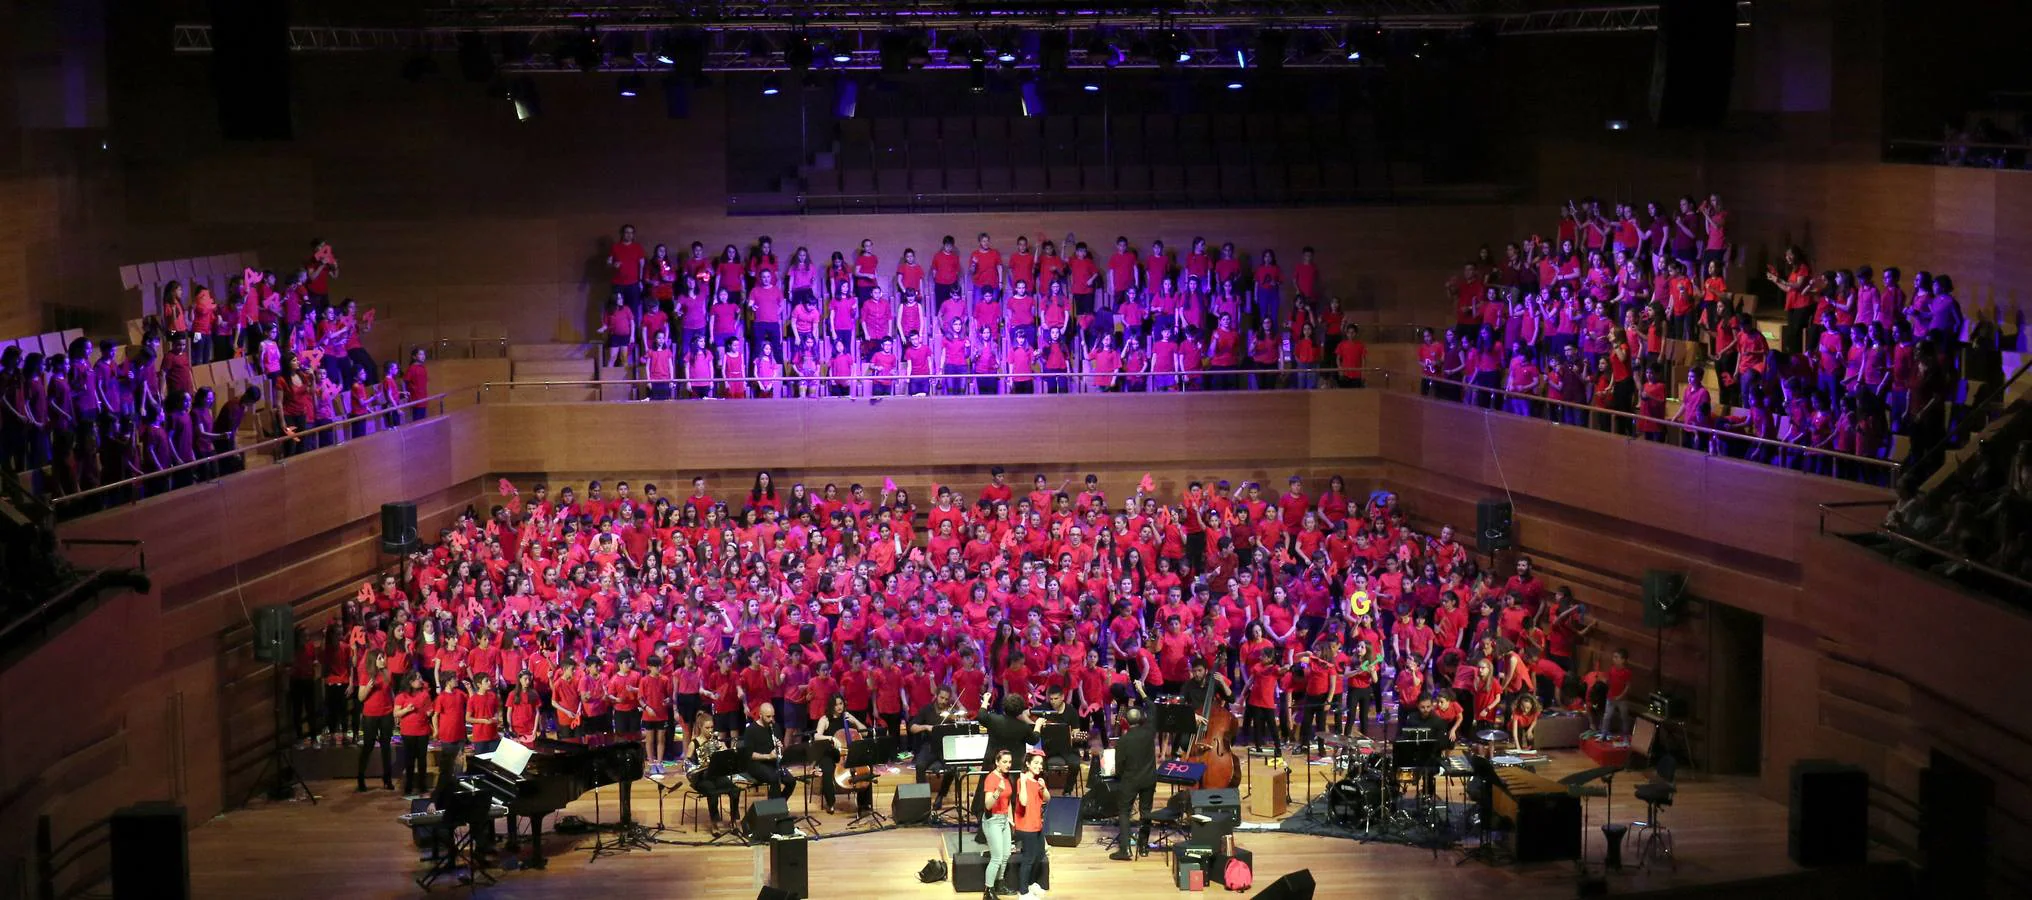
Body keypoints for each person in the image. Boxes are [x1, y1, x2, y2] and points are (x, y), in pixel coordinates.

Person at [1108, 705, 1158, 860]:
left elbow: (1119, 766)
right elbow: (1153, 710)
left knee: (1124, 812)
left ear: (1126, 722)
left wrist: (1120, 776)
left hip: (1130, 780)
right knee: (1146, 812)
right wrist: (1143, 693)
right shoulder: (1150, 732)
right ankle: (1143, 847)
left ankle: (1125, 849)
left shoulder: (1123, 741)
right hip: (1149, 779)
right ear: (1142, 719)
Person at [1012, 749, 1051, 900]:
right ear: (1027, 764)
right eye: (1035, 763)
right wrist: (1022, 781)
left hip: (1037, 825)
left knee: (1040, 854)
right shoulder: (1022, 781)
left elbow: (1047, 799)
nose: (1039, 766)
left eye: (1041, 763)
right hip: (1026, 826)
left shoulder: (1038, 781)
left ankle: (1031, 883)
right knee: (1028, 858)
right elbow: (1023, 801)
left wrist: (1044, 788)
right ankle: (1023, 892)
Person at [980, 748, 1016, 900]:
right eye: (1005, 762)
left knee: (1006, 854)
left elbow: (1007, 801)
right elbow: (988, 805)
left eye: (1010, 762)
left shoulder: (1007, 778)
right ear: (997, 762)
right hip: (992, 820)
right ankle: (988, 891)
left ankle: (1000, 884)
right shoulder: (991, 778)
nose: (1008, 765)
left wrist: (1011, 819)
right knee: (997, 857)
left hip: (1003, 820)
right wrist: (997, 792)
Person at [740, 700, 794, 800]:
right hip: (756, 764)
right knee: (774, 778)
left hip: (772, 763)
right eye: (768, 716)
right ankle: (774, 812)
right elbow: (749, 754)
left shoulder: (775, 727)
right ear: (760, 715)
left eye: (772, 716)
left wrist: (780, 747)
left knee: (791, 781)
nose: (771, 719)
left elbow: (780, 748)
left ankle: (779, 805)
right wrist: (768, 756)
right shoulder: (751, 730)